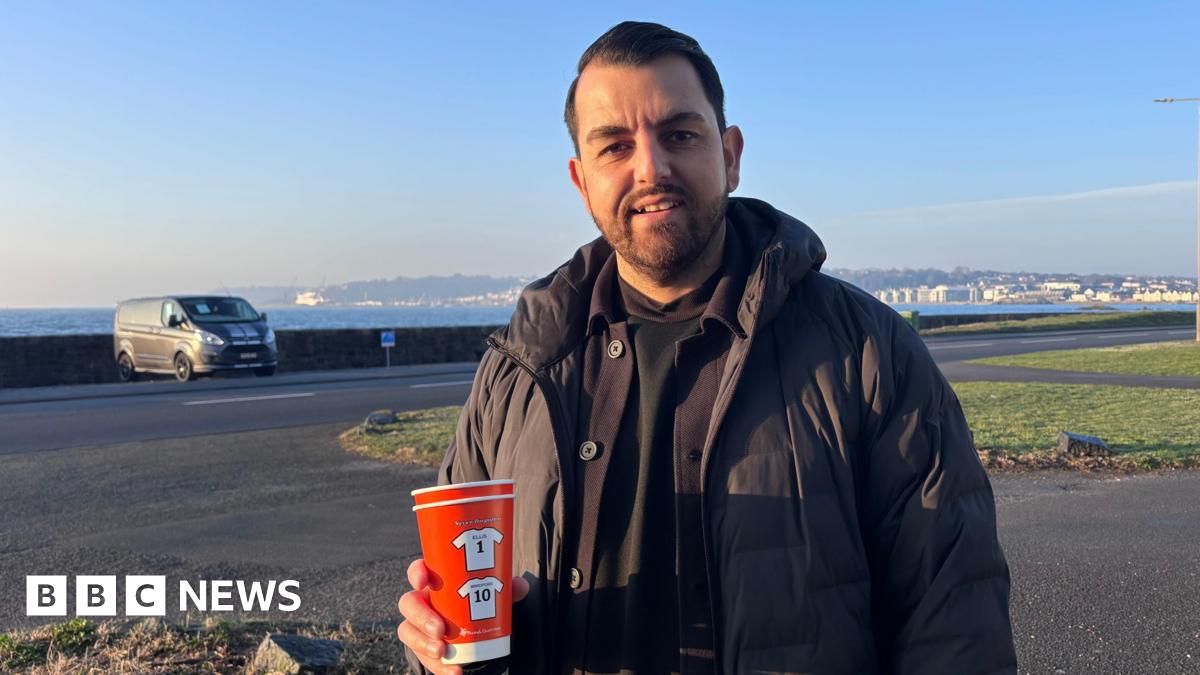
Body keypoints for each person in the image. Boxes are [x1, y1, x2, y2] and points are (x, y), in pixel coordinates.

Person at [399, 21, 1017, 675]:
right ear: (582, 182)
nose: (651, 168)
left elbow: (956, 619)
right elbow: (446, 613)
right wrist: (433, 652)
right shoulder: (520, 367)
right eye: (615, 147)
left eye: (679, 135)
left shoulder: (867, 353)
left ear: (730, 153)